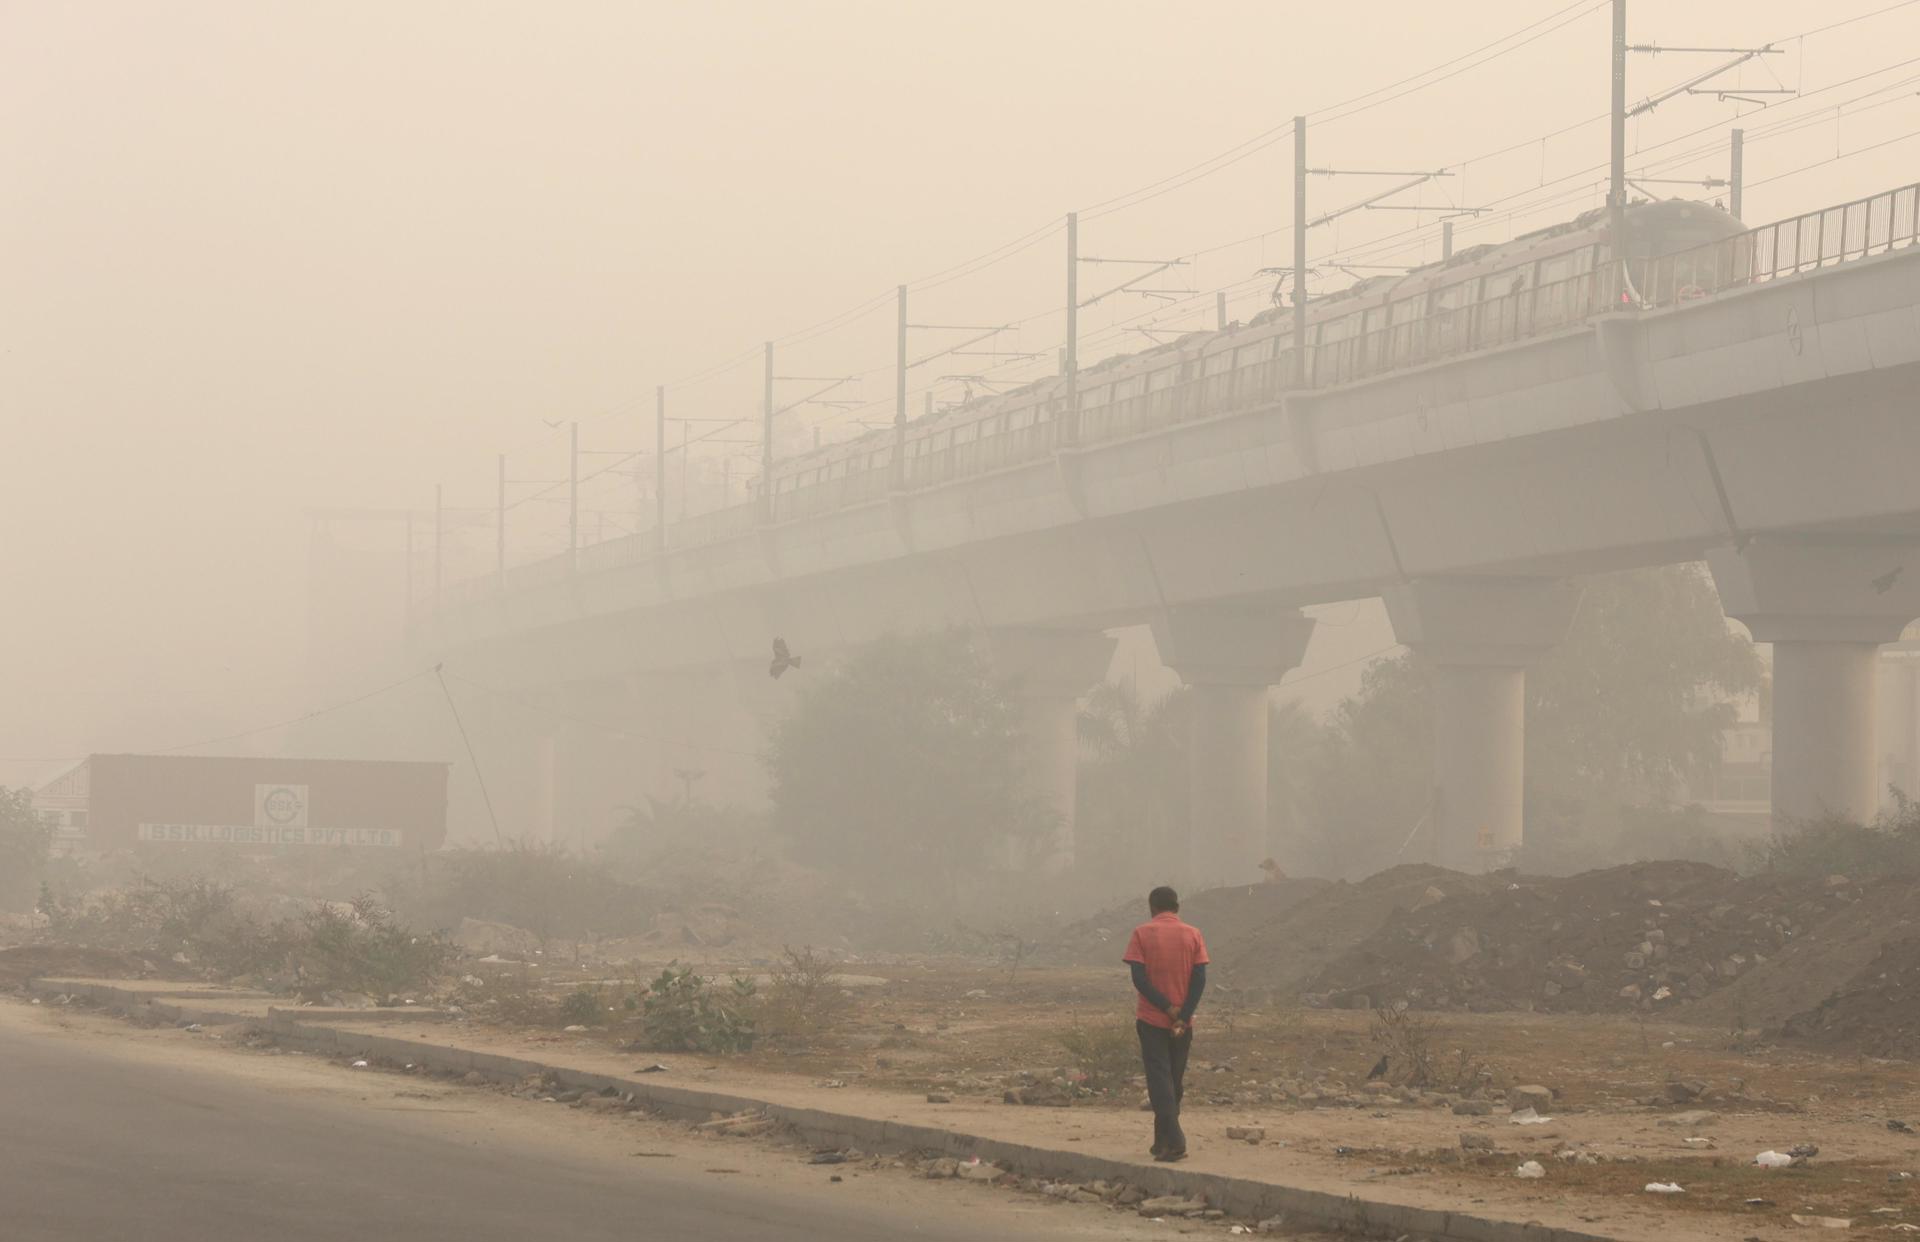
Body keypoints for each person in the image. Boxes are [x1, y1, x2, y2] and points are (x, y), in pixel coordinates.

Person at [1121, 885, 1208, 1162]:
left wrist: (1166, 1008)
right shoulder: (1193, 934)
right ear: (1177, 907)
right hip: (1183, 1023)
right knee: (1174, 1080)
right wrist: (1183, 1015)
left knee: (1159, 1079)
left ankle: (1175, 1139)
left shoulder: (1142, 933)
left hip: (1151, 1019)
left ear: (1152, 908)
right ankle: (1162, 1142)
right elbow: (1199, 979)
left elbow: (1139, 979)